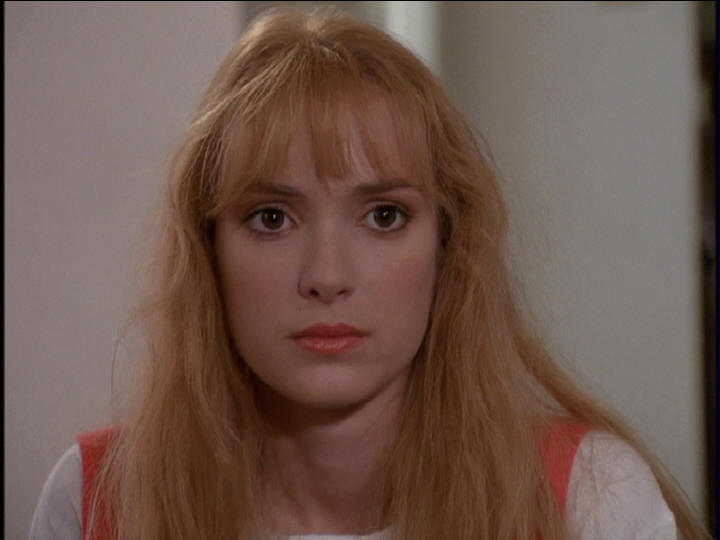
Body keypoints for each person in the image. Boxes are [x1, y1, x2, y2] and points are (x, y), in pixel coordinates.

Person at [29, 6, 707, 540]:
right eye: (272, 218)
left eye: (383, 216)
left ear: (448, 244)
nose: (326, 276)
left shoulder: (588, 499)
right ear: (209, 250)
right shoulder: (96, 502)